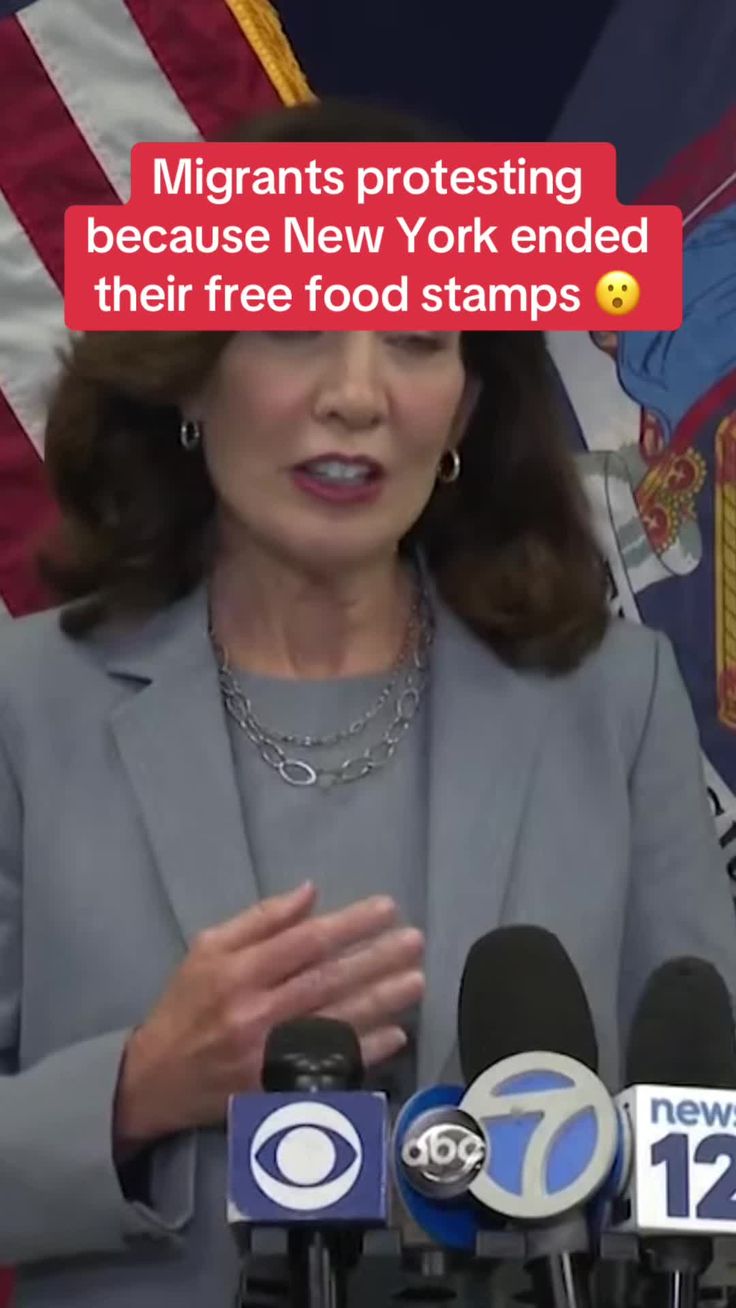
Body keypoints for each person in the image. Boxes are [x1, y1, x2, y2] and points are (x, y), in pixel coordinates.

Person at [0, 98, 733, 1308]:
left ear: (469, 403)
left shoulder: (610, 699)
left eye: (414, 339)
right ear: (188, 375)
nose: (357, 394)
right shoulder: (30, 707)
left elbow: (704, 1116)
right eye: (292, 327)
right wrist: (139, 1088)